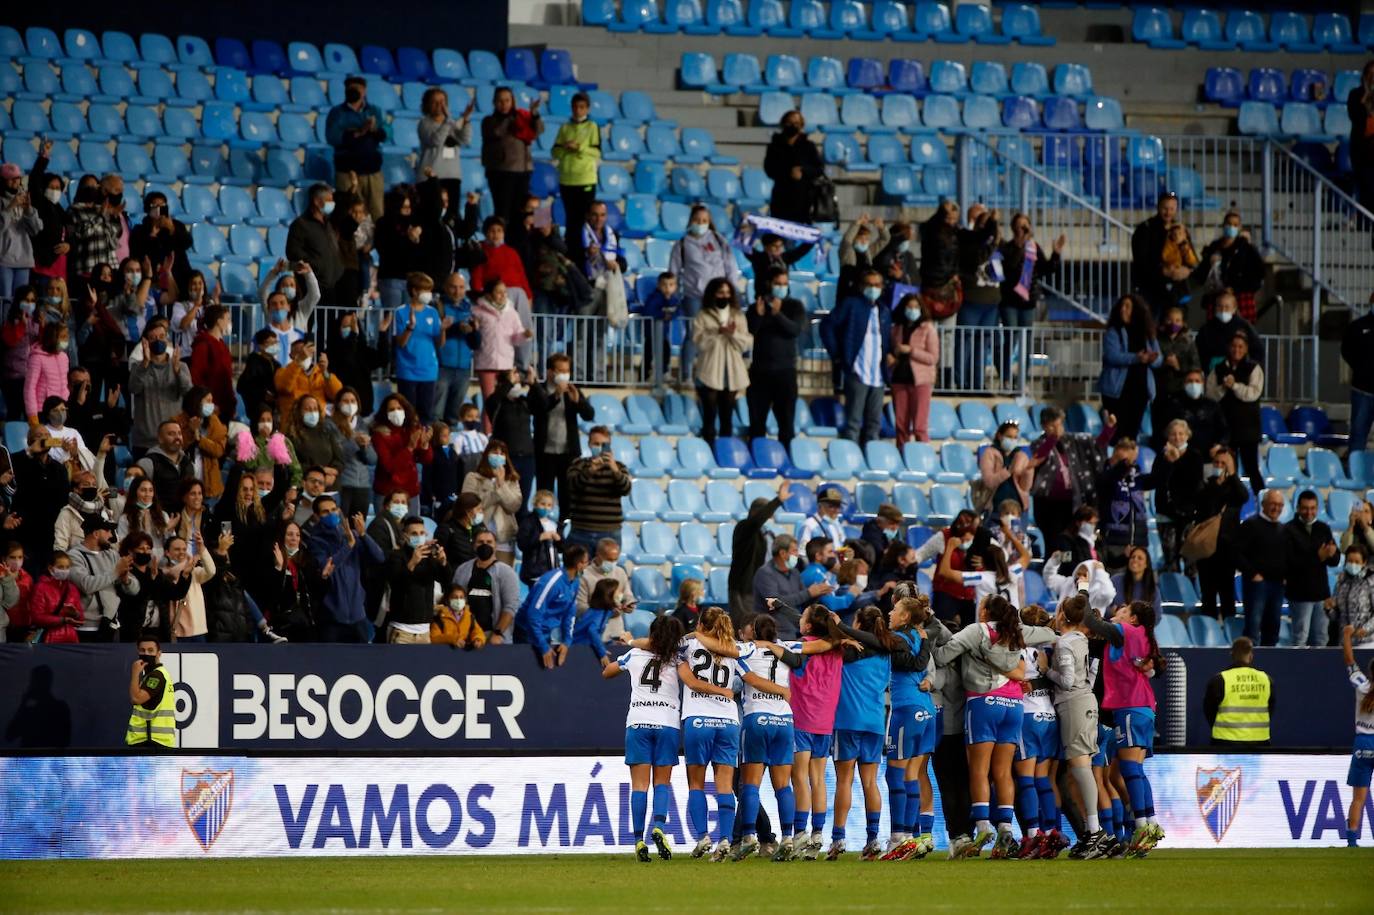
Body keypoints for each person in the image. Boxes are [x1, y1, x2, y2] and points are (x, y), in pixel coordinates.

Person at [934, 595, 1057, 859]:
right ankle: (1006, 828)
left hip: (983, 703)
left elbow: (943, 656)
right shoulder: (1016, 630)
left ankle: (982, 827)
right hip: (1014, 705)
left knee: (979, 769)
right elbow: (1050, 634)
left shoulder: (976, 631)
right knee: (1003, 772)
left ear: (985, 612)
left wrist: (965, 651)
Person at [603, 614, 686, 862]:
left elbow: (607, 672)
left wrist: (626, 647)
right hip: (667, 723)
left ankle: (639, 840)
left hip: (638, 722)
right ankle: (658, 826)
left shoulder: (635, 654)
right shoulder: (678, 657)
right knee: (662, 783)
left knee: (639, 785)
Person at [828, 606, 908, 861]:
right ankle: (873, 839)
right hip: (875, 722)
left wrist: (840, 635)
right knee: (870, 782)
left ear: (859, 625)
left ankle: (838, 839)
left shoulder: (849, 652)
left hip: (848, 721)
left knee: (844, 781)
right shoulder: (887, 652)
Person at [667, 205, 741, 387]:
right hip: (694, 295)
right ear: (691, 221)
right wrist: (673, 294)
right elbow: (673, 272)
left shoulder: (719, 240)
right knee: (694, 334)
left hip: (719, 296)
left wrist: (732, 291)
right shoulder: (682, 244)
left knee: (720, 335)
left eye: (704, 221)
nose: (700, 224)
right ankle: (686, 375)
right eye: (697, 220)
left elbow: (730, 266)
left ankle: (716, 376)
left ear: (709, 222)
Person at [1028, 406, 1115, 553]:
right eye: (1052, 426)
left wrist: (1109, 428)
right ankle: (1053, 567)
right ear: (1043, 426)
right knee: (1054, 544)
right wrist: (1053, 438)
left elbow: (1096, 446)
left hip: (1072, 503)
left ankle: (1069, 567)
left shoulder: (1073, 441)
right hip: (1048, 506)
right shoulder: (1038, 444)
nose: (1057, 429)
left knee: (1071, 544)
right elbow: (1040, 456)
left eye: (1059, 425)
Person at [821, 268, 891, 445]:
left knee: (874, 424)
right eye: (869, 284)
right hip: (858, 371)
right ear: (861, 286)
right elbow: (827, 325)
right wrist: (837, 354)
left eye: (877, 285)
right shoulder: (851, 304)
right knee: (853, 422)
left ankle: (871, 457)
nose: (873, 288)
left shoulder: (884, 310)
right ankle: (850, 457)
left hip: (878, 375)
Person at [305, 495, 383, 643]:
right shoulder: (315, 541)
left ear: (339, 510)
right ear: (316, 516)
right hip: (331, 619)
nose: (331, 514)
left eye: (333, 509)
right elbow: (326, 568)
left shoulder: (351, 535)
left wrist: (363, 534)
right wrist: (348, 546)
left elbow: (379, 557)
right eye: (325, 512)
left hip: (358, 617)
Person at [745, 266, 804, 452]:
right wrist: (759, 315)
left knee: (786, 425)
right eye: (778, 283)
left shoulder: (794, 306)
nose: (781, 287)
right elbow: (751, 330)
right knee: (757, 424)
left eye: (785, 283)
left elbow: (794, 330)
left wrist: (778, 314)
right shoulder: (757, 306)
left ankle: (787, 458)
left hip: (785, 373)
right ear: (769, 284)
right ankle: (758, 457)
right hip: (760, 372)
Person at [692, 277, 752, 446]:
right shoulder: (703, 315)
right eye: (720, 292)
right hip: (710, 369)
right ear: (713, 294)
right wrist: (717, 332)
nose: (724, 296)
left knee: (727, 417)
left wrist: (732, 334)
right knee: (709, 417)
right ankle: (708, 449)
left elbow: (746, 343)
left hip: (732, 370)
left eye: (727, 292)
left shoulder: (738, 315)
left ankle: (725, 451)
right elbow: (698, 342)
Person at [529, 352, 594, 505]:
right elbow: (536, 409)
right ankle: (542, 520)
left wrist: (578, 402)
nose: (565, 375)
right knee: (543, 497)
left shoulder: (572, 390)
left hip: (568, 453)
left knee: (568, 498)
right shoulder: (538, 390)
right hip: (545, 453)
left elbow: (589, 415)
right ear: (550, 371)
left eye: (567, 371)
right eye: (561, 371)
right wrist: (556, 395)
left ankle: (565, 520)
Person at [1098, 293, 1161, 442]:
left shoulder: (1148, 333)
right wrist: (1136, 358)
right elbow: (1111, 356)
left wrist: (1152, 359)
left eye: (1127, 306)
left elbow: (1159, 359)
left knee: (1132, 433)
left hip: (1140, 390)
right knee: (1114, 431)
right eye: (1121, 306)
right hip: (1117, 391)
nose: (1123, 309)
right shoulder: (1114, 332)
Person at [1207, 333, 1264, 494]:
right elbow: (1210, 394)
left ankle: (1261, 500)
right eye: (1233, 346)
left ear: (1246, 349)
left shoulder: (1254, 368)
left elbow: (1253, 393)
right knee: (1227, 468)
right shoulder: (1218, 369)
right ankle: (1229, 502)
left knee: (1251, 468)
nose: (1236, 350)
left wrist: (1235, 386)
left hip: (1248, 429)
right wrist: (1223, 388)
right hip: (1226, 428)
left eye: (1240, 346)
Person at [325, 76, 388, 219]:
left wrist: (374, 129)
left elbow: (387, 133)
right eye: (350, 89)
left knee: (377, 213)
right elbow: (332, 137)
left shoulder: (375, 111)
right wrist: (358, 132)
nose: (353, 91)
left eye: (357, 89)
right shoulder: (337, 113)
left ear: (364, 91)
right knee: (349, 213)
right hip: (347, 172)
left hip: (373, 172)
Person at [68, 516, 138, 642]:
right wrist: (115, 573)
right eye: (107, 531)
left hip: (111, 624)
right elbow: (86, 584)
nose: (111, 535)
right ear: (96, 534)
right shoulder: (74, 556)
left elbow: (135, 590)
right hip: (85, 627)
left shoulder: (112, 554)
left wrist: (126, 580)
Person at [1285, 491, 1341, 648]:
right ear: (1298, 508)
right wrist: (1318, 557)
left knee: (1321, 638)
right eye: (1305, 508)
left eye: (1312, 508)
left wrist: (1331, 554)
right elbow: (1290, 562)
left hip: (1321, 594)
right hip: (1299, 595)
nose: (1309, 512)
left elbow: (1335, 560)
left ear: (1317, 508)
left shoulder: (1323, 528)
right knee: (1300, 638)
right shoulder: (1289, 529)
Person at [516, 545, 589, 666]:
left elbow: (570, 612)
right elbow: (533, 616)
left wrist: (567, 641)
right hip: (527, 632)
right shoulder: (551, 582)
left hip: (545, 632)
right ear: (579, 564)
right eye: (586, 562)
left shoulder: (575, 581)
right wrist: (543, 646)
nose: (588, 565)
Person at [1234, 489, 1290, 646]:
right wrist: (1253, 574)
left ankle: (1269, 660)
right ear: (1263, 504)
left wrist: (1285, 577)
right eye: (1273, 504)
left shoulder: (1283, 529)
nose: (1276, 508)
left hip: (1277, 586)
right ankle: (1248, 660)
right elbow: (1236, 553)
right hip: (1256, 585)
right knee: (1253, 629)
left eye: (1280, 505)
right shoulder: (1250, 525)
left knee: (1273, 629)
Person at [728, 482, 789, 625]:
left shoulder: (767, 534)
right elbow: (755, 522)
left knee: (759, 627)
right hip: (744, 589)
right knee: (745, 626)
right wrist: (778, 501)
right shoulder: (743, 528)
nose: (769, 518)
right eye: (767, 514)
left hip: (760, 588)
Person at [564, 426, 631, 556]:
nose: (599, 447)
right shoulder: (578, 464)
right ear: (589, 444)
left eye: (604, 444)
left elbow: (626, 489)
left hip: (610, 533)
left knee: (606, 569)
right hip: (581, 531)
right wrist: (590, 470)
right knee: (578, 568)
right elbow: (572, 486)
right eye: (596, 444)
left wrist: (615, 470)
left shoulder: (619, 467)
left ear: (609, 446)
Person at [383, 516, 450, 643]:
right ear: (405, 536)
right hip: (401, 630)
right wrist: (412, 563)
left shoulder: (429, 558)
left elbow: (447, 581)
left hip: (425, 630)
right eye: (414, 533)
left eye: (422, 533)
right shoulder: (396, 556)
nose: (419, 536)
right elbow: (396, 584)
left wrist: (443, 563)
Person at [481, 87, 542, 227]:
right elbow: (497, 132)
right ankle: (503, 239)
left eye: (507, 100)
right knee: (503, 212)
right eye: (500, 101)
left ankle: (525, 239)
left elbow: (539, 130)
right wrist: (511, 118)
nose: (504, 104)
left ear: (513, 101)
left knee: (524, 211)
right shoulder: (489, 121)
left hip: (524, 170)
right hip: (501, 173)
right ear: (494, 103)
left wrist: (534, 114)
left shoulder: (521, 116)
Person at [129, 322, 192, 452]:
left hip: (173, 441)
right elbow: (133, 388)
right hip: (145, 442)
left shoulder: (180, 366)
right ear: (145, 342)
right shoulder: (138, 367)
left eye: (162, 336)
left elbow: (189, 393)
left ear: (167, 339)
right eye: (153, 338)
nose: (158, 341)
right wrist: (145, 363)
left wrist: (178, 371)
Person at [751, 536, 831, 637]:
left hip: (797, 628)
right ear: (782, 553)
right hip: (775, 632)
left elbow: (803, 601)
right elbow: (774, 602)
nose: (797, 554)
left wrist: (818, 593)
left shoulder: (794, 572)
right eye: (794, 551)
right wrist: (808, 593)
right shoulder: (765, 573)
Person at [451, 528, 520, 643]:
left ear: (495, 546)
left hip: (493, 637)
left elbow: (511, 607)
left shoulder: (507, 573)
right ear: (474, 546)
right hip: (466, 635)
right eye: (480, 542)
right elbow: (453, 599)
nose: (485, 545)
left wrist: (498, 633)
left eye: (489, 542)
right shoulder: (462, 570)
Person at [552, 92, 601, 252]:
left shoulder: (592, 127)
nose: (578, 110)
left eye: (581, 107)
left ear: (587, 109)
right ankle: (571, 254)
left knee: (584, 220)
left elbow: (596, 152)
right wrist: (565, 148)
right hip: (567, 180)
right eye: (575, 107)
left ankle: (585, 253)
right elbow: (555, 152)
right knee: (571, 220)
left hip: (585, 179)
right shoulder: (565, 127)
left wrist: (579, 147)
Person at [1204, 637, 1274, 746]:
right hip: (1259, 742)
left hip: (1225, 742)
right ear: (1251, 656)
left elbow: (1209, 710)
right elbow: (1270, 709)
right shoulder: (1266, 679)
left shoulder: (1220, 679)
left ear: (1232, 655)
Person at [393, 271, 444, 421]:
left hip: (429, 371)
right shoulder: (401, 312)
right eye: (425, 290)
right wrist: (410, 327)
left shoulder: (433, 313)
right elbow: (400, 342)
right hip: (407, 371)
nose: (429, 294)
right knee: (408, 415)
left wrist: (443, 329)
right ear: (414, 291)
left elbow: (440, 343)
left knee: (426, 416)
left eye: (430, 290)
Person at [998, 214, 1064, 329]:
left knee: (1027, 334)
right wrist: (1020, 246)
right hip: (1009, 300)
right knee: (1012, 334)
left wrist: (1055, 255)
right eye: (1020, 226)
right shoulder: (1006, 247)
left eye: (1026, 226)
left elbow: (1045, 269)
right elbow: (1010, 268)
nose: (1024, 229)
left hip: (1028, 301)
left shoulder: (1033, 247)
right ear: (1014, 228)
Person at [370, 393, 433, 516]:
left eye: (399, 408)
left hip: (410, 493)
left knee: (412, 526)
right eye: (391, 409)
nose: (396, 412)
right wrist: (409, 448)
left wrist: (425, 445)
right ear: (385, 413)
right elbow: (389, 466)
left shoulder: (413, 429)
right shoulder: (379, 435)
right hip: (387, 494)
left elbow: (426, 459)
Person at [462, 440, 523, 565]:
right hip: (478, 537)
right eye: (495, 452)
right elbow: (468, 505)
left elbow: (514, 505)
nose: (498, 456)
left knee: (502, 575)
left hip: (504, 539)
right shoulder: (473, 478)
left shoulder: (512, 479)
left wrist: (501, 484)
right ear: (487, 455)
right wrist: (496, 491)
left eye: (502, 453)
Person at [1195, 211, 1264, 322]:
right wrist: (1210, 263)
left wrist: (1236, 288)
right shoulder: (1214, 247)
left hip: (1241, 296)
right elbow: (1201, 274)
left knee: (1242, 329)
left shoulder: (1246, 248)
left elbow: (1258, 273)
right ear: (1223, 225)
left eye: (1235, 225)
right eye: (1229, 224)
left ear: (1239, 227)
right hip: (1217, 297)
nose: (1231, 227)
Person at [471, 278, 533, 401]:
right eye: (498, 292)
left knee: (505, 401)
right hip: (486, 363)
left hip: (506, 364)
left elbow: (516, 339)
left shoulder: (512, 312)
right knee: (490, 401)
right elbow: (473, 336)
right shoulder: (477, 311)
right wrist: (473, 327)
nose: (503, 295)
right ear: (488, 295)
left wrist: (524, 335)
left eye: (504, 292)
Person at [889, 293, 939, 445]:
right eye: (909, 307)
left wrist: (911, 351)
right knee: (901, 425)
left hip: (920, 381)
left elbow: (933, 358)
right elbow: (892, 350)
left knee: (919, 426)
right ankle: (902, 453)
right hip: (899, 378)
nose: (912, 310)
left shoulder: (928, 329)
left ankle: (923, 455)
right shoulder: (897, 328)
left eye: (916, 307)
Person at [1341, 623, 1374, 847]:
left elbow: (1349, 660)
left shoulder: (1362, 686)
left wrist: (1347, 635)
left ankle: (1352, 842)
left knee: (1358, 799)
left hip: (1363, 743)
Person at [434, 273, 480, 425]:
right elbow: (434, 333)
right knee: (436, 415)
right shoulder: (437, 307)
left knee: (453, 416)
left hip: (463, 369)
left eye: (461, 287)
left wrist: (474, 331)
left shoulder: (469, 308)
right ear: (446, 287)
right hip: (441, 367)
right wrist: (456, 328)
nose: (457, 291)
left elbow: (476, 344)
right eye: (453, 287)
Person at [762, 109, 823, 224]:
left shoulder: (808, 146)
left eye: (796, 123)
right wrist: (788, 172)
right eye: (789, 123)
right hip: (781, 197)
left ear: (801, 126)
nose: (793, 126)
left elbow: (819, 169)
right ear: (783, 124)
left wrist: (803, 171)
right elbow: (769, 169)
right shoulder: (774, 146)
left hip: (803, 198)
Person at [285, 186, 343, 305]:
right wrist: (315, 265)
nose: (332, 203)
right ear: (317, 201)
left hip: (333, 287)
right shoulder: (300, 224)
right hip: (312, 287)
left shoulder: (328, 224)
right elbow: (293, 252)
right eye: (329, 200)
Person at [1151, 305, 1202, 437]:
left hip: (1180, 392)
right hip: (1159, 391)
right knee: (1159, 427)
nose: (1173, 323)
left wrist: (1179, 366)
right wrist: (1164, 363)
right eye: (1170, 320)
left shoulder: (1188, 342)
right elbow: (1150, 364)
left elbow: (1195, 367)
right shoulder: (1156, 340)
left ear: (1183, 322)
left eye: (1177, 320)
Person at [416, 86, 474, 197]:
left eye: (442, 102)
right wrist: (448, 121)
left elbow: (465, 140)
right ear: (427, 105)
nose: (439, 105)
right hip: (430, 177)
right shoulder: (424, 123)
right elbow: (436, 141)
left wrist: (466, 119)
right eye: (435, 102)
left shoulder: (451, 122)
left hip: (453, 176)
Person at [1130, 192, 1180, 317]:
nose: (1168, 212)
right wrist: (1162, 270)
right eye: (1165, 208)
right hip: (1149, 289)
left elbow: (1190, 257)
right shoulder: (1145, 229)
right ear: (1158, 207)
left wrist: (1186, 270)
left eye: (1172, 209)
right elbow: (1141, 261)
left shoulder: (1179, 229)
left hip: (1174, 290)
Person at [0, 163, 42, 303]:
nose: (15, 181)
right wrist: (11, 206)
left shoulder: (24, 199)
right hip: (3, 260)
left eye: (17, 178)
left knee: (21, 301)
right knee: (5, 300)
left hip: (24, 259)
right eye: (11, 178)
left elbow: (35, 230)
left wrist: (28, 209)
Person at [133, 419, 195, 513]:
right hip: (158, 518)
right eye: (171, 434)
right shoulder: (147, 463)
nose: (177, 437)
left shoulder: (189, 463)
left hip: (185, 519)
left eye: (179, 433)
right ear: (160, 439)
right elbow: (137, 497)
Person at [1195, 289, 1263, 373]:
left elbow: (1258, 350)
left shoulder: (1244, 326)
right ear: (1215, 308)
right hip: (1212, 371)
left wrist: (1248, 368)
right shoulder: (1206, 328)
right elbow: (1199, 352)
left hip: (1239, 370)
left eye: (1227, 307)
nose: (1223, 310)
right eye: (1219, 306)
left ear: (1234, 309)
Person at [126, 633, 175, 749]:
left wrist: (135, 673)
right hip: (157, 741)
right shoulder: (158, 674)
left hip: (150, 741)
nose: (146, 654)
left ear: (159, 653)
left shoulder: (156, 676)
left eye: (150, 650)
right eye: (142, 650)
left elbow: (136, 699)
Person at [979, 422, 1032, 516]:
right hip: (996, 508)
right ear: (1000, 436)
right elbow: (989, 482)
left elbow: (1025, 487)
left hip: (1018, 508)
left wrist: (1028, 472)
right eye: (1009, 436)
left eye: (1015, 437)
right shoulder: (989, 453)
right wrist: (1008, 470)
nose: (1012, 440)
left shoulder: (1021, 455)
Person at [1343, 296, 1374, 454]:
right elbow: (1346, 351)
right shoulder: (1357, 326)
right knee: (1358, 433)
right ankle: (1354, 466)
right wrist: (1361, 368)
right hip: (1362, 391)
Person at [431, 583, 485, 649]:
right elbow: (434, 638)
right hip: (445, 652)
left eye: (461, 597)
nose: (458, 600)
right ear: (447, 600)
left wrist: (478, 639)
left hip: (465, 652)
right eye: (455, 597)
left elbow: (477, 631)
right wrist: (452, 639)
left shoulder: (469, 616)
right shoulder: (440, 618)